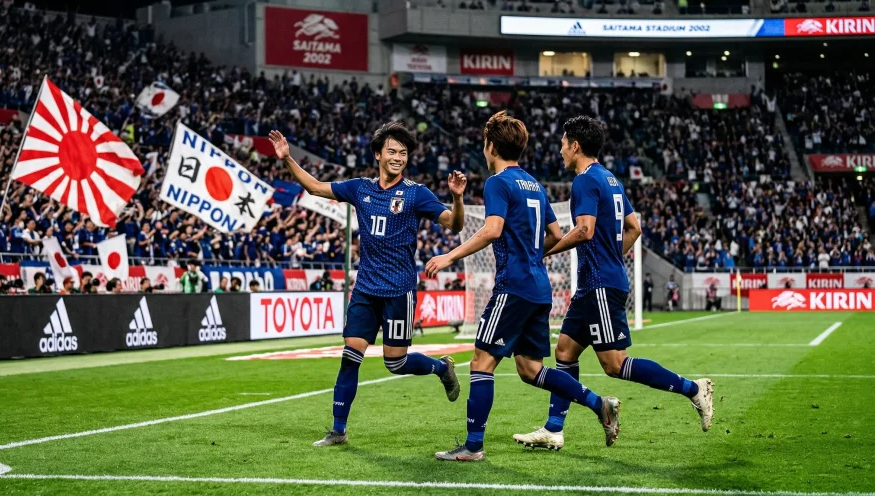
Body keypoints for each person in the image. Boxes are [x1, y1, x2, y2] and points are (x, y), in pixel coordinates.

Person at [425, 112, 620, 460]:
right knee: (530, 369)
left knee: (481, 362)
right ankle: (598, 404)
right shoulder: (534, 184)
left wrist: (449, 256)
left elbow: (492, 230)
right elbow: (556, 235)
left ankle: (473, 446)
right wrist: (531, 255)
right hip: (538, 288)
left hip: (513, 287)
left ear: (491, 146)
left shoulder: (497, 182)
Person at [515, 116, 713, 451]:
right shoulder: (610, 179)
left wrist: (543, 252)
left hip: (601, 284)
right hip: (595, 283)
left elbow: (584, 230)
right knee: (564, 351)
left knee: (615, 364)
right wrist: (612, 256)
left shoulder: (584, 181)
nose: (560, 150)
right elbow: (635, 228)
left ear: (575, 145)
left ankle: (694, 389)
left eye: (563, 143)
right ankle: (554, 428)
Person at [270, 122, 467, 448]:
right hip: (365, 289)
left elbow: (454, 224)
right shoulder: (359, 188)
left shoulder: (416, 193)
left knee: (395, 363)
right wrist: (287, 159)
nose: (398, 157)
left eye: (403, 153)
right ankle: (338, 430)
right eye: (392, 151)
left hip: (399, 290)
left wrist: (457, 199)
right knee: (350, 356)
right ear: (378, 154)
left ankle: (440, 367)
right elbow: (315, 187)